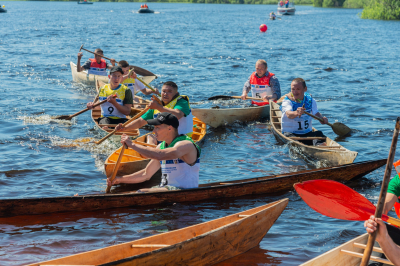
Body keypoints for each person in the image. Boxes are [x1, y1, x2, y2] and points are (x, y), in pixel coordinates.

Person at [107, 112, 201, 192]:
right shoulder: (161, 146)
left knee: (142, 192)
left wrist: (132, 145)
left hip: (184, 191)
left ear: (169, 128)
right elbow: (146, 174)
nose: (153, 131)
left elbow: (160, 155)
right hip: (167, 190)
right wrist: (119, 180)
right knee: (140, 191)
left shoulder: (186, 145)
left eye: (157, 127)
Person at [115, 81, 193, 144]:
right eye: (164, 91)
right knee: (150, 136)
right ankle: (152, 154)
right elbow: (140, 122)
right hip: (164, 138)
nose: (165, 94)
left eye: (169, 91)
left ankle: (155, 154)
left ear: (176, 93)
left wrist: (158, 107)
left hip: (181, 137)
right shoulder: (157, 103)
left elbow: (177, 115)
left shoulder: (182, 101)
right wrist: (124, 127)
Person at [280, 78, 328, 146]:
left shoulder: (310, 100)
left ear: (305, 89)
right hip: (291, 133)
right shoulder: (287, 101)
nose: (295, 92)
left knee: (319, 134)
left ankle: (319, 146)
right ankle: (302, 145)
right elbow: (288, 114)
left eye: (298, 89)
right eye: (293, 89)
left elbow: (316, 113)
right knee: (290, 138)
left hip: (307, 133)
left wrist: (321, 119)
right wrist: (296, 113)